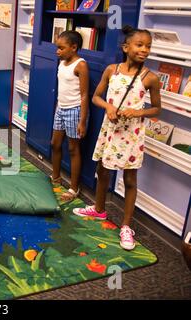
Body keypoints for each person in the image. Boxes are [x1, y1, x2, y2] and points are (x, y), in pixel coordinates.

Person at [73, 26, 161, 251]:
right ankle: (100, 209)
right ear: (126, 47)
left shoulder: (150, 78)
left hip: (132, 135)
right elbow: (95, 97)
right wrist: (109, 107)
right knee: (102, 170)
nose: (144, 50)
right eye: (139, 45)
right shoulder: (111, 70)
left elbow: (156, 110)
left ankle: (125, 226)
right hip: (110, 130)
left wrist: (138, 112)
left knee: (130, 179)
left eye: (148, 46)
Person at [51, 30, 89, 202]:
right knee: (55, 144)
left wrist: (82, 121)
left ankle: (74, 188)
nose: (57, 51)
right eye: (57, 47)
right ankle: (56, 177)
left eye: (61, 48)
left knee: (73, 149)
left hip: (74, 110)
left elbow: (84, 95)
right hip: (61, 108)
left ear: (74, 47)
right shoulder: (62, 62)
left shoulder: (81, 65)